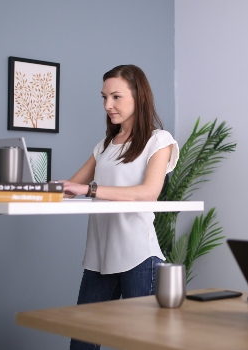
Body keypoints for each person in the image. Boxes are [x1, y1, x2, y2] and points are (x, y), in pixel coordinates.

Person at [59, 64, 179, 350]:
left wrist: (90, 190)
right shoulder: (104, 145)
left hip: (138, 257)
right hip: (99, 258)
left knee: (142, 344)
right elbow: (69, 190)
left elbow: (149, 193)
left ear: (139, 97)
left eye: (116, 97)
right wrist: (27, 189)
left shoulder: (158, 140)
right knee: (82, 345)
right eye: (103, 97)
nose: (107, 105)